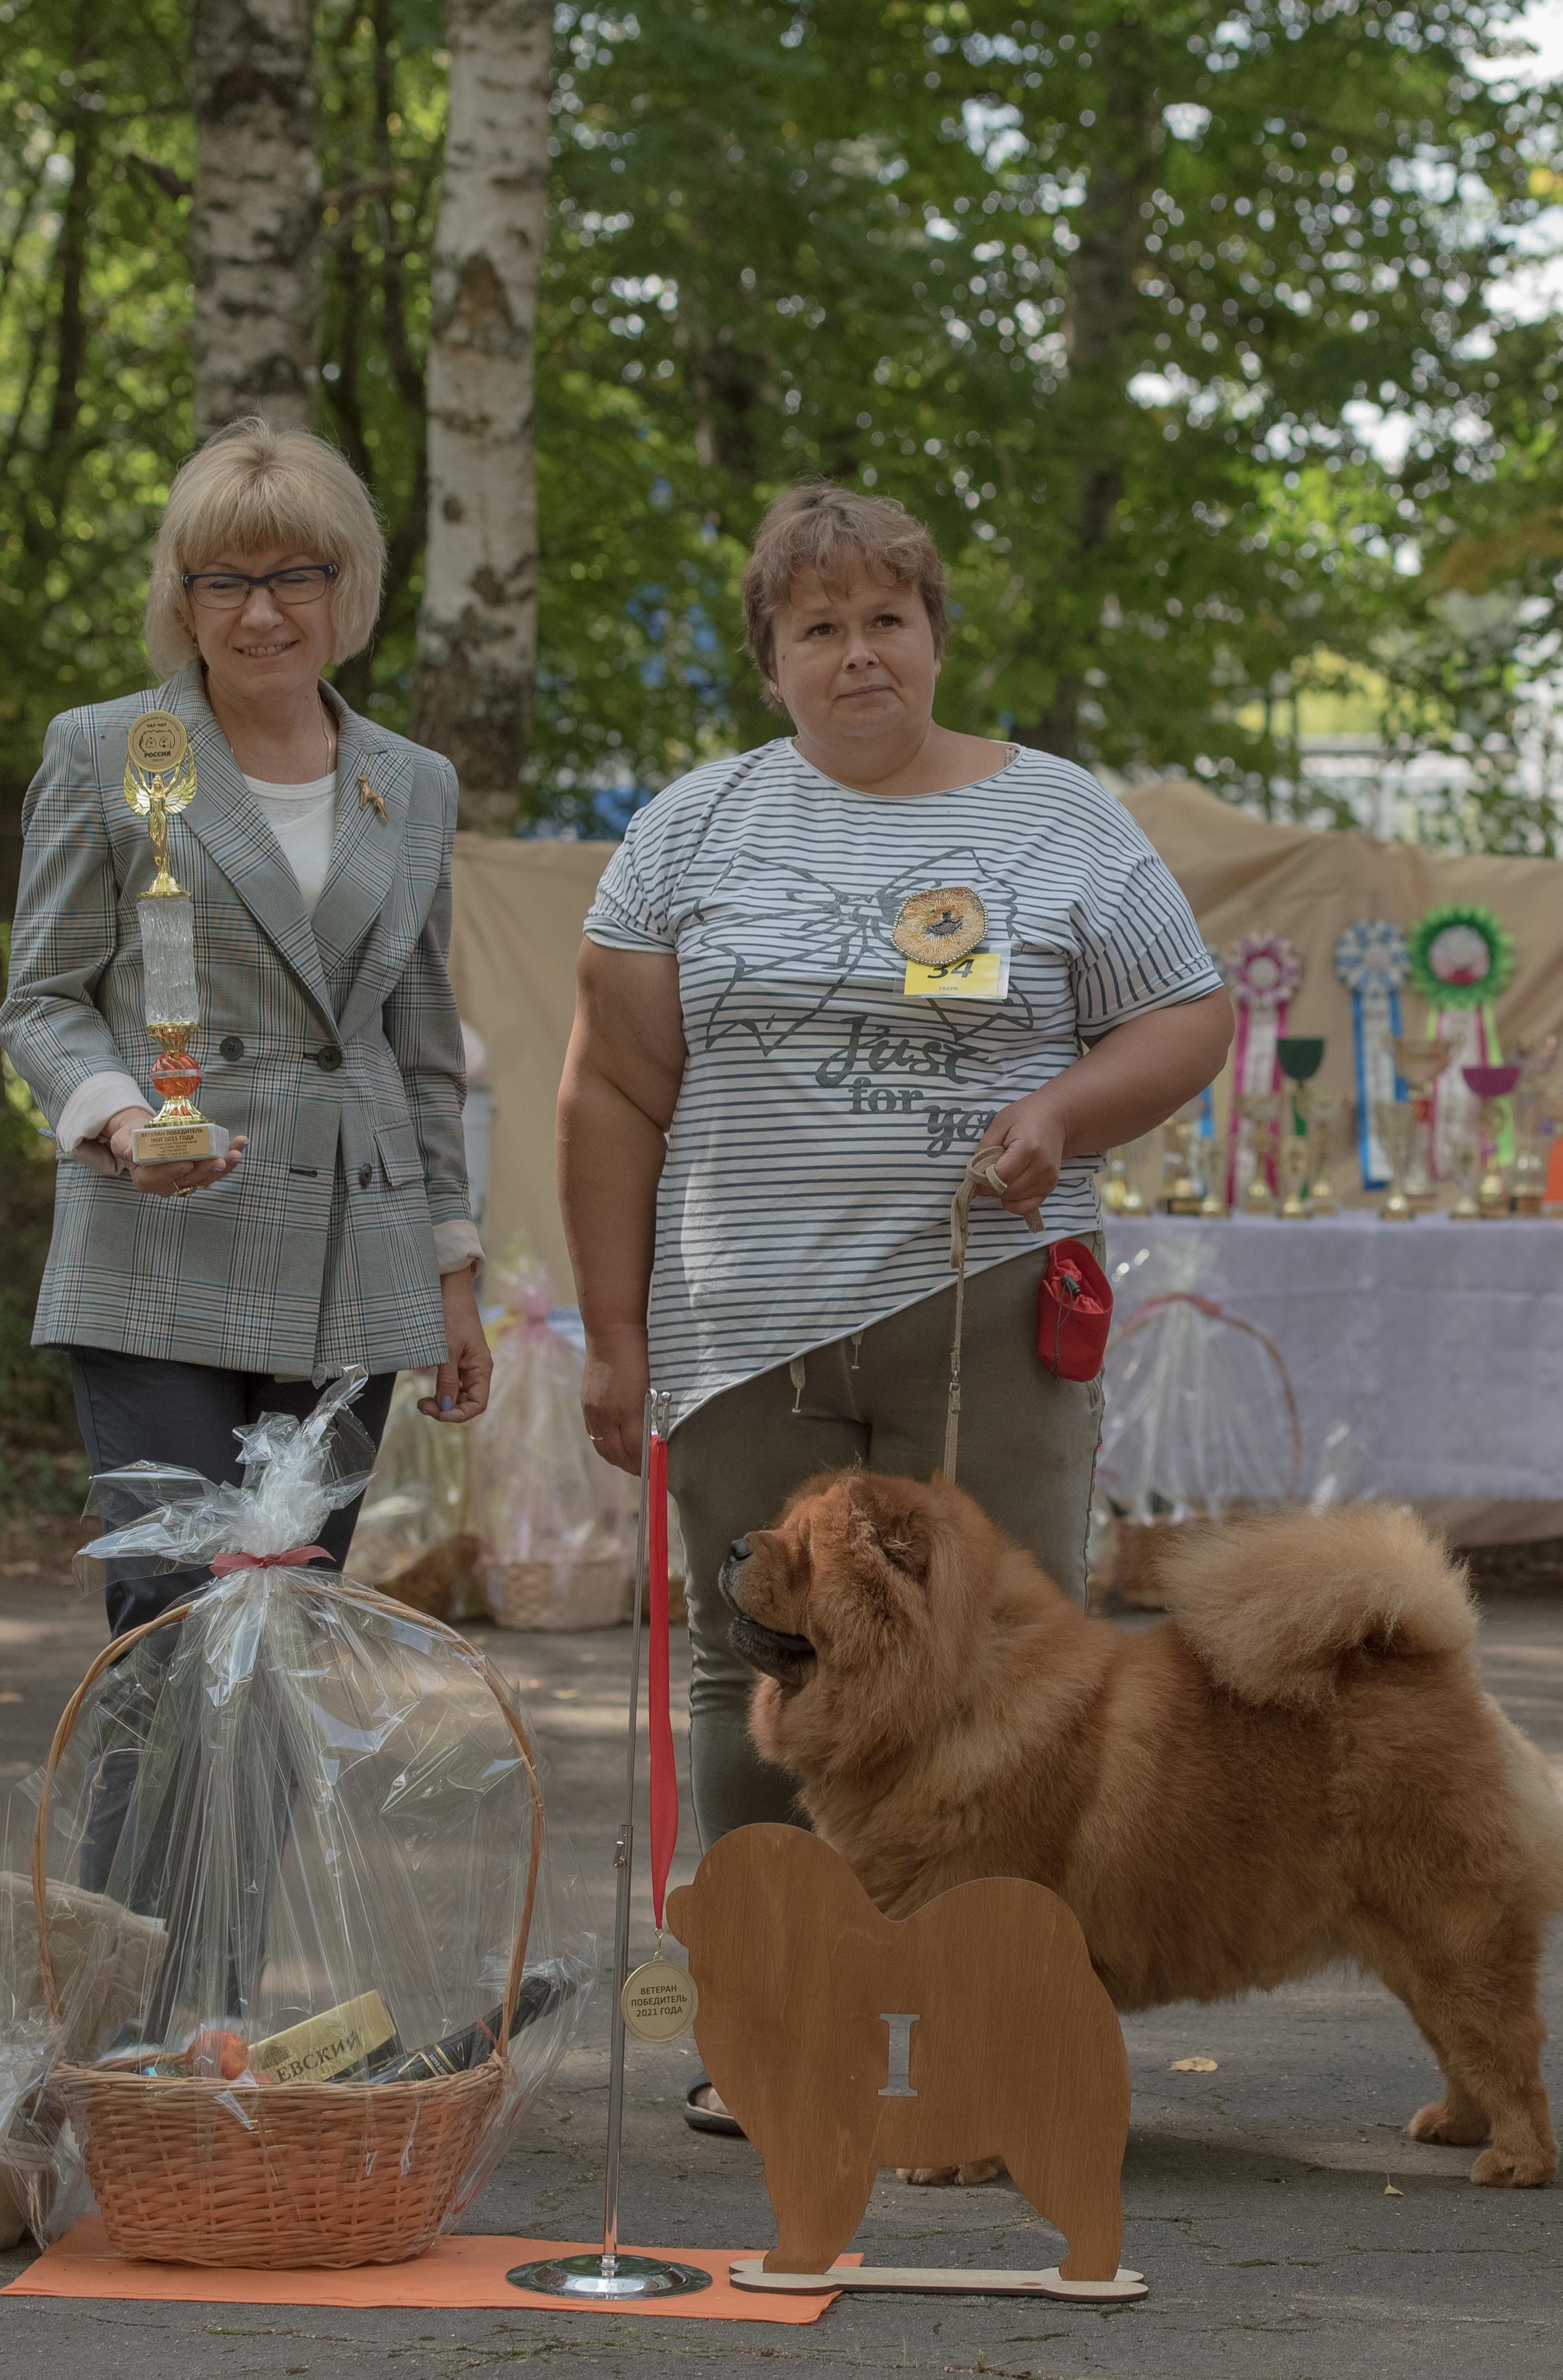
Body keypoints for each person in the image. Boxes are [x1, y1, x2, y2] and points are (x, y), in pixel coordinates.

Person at [558, 485, 1232, 2132]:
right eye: (819, 628)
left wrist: (1064, 1115)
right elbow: (612, 1092)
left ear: (933, 637)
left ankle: (993, 2027)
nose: (859, 655)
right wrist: (617, 1330)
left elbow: (1191, 1017)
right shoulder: (691, 830)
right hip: (742, 1328)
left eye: (887, 620)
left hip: (983, 1306)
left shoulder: (1061, 814)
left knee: (1002, 1673)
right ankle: (772, 2026)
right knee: (755, 1668)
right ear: (769, 663)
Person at [1, 418, 492, 1635]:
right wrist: (122, 1125)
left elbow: (420, 1047)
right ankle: (138, 1841)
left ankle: (266, 1844)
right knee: (172, 1624)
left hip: (355, 1257)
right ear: (183, 595)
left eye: (293, 576)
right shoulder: (106, 748)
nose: (259, 612)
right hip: (156, 1247)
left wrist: (454, 1271)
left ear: (346, 588)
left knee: (288, 1632)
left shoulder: (414, 779)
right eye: (223, 580)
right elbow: (43, 998)